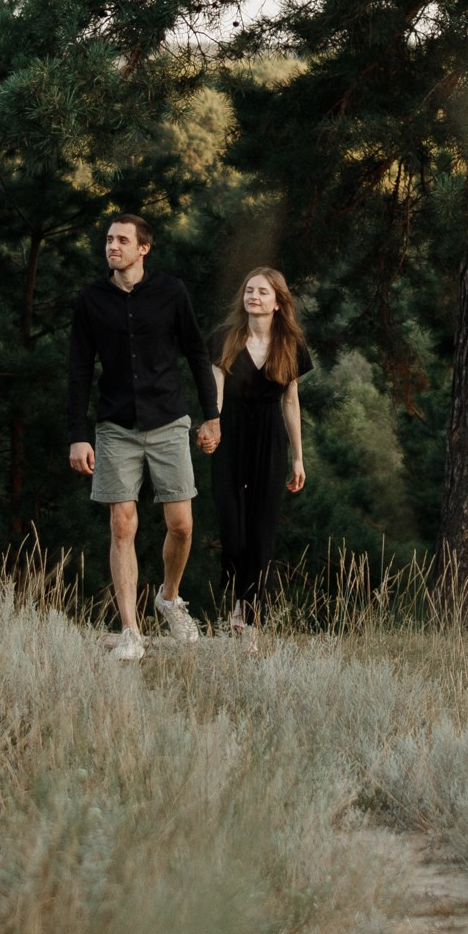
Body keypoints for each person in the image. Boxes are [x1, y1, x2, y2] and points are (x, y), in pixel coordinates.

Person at [67, 213, 221, 663]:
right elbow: (78, 370)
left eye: (121, 240)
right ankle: (130, 630)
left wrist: (211, 416)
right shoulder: (90, 300)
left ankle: (169, 598)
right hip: (116, 426)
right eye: (108, 239)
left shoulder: (171, 292)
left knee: (182, 525)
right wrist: (78, 435)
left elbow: (196, 352)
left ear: (143, 248)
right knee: (122, 525)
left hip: (170, 420)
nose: (112, 246)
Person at [209, 268, 310, 638]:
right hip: (231, 433)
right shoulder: (224, 338)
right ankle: (238, 596)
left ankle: (250, 618)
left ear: (278, 303)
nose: (254, 296)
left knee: (262, 530)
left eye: (263, 292)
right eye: (249, 290)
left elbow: (291, 403)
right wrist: (212, 427)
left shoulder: (291, 345)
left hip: (271, 438)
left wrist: (298, 457)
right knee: (234, 530)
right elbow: (215, 392)